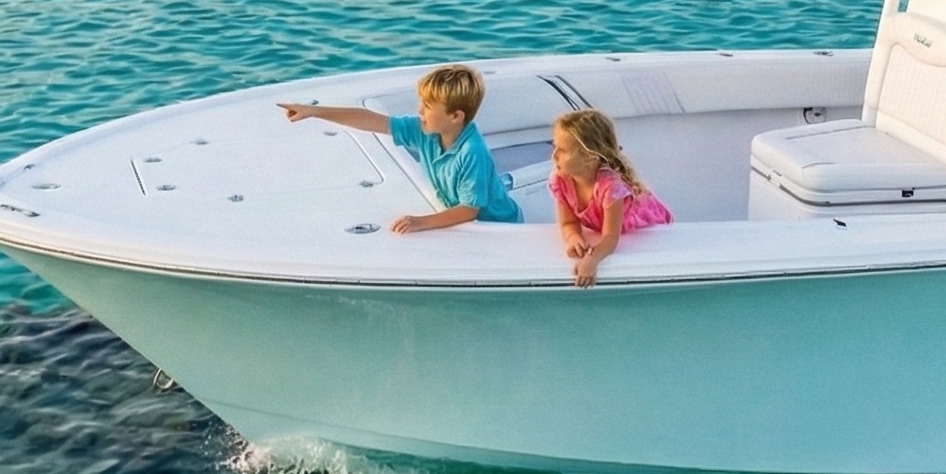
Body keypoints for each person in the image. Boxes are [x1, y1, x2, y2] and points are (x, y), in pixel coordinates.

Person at [277, 64, 523, 232]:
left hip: (497, 226)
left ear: (455, 116)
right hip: (465, 218)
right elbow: (373, 120)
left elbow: (468, 211)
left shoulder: (472, 151)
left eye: (427, 106)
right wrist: (313, 111)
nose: (419, 111)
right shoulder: (424, 130)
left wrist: (419, 223)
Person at [549, 109, 671, 286]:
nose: (554, 156)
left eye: (562, 150)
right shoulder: (561, 180)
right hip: (610, 226)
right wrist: (574, 238)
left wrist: (592, 259)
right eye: (554, 147)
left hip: (645, 225)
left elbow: (610, 237)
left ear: (589, 157)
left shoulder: (610, 187)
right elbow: (568, 223)